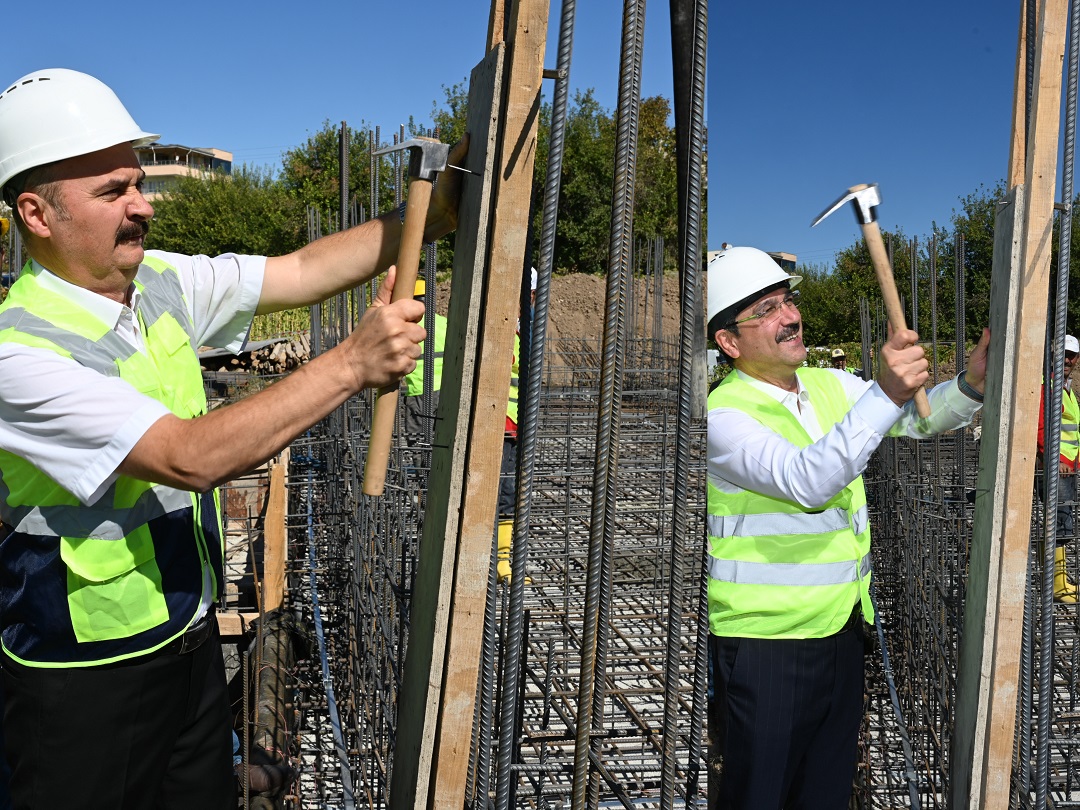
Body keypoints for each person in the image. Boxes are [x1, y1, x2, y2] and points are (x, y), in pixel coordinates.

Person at [0, 68, 463, 809]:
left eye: (138, 183)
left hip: (187, 635)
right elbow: (189, 456)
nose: (142, 204)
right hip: (81, 676)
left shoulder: (159, 285)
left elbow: (304, 269)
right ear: (38, 212)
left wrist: (427, 220)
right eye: (114, 190)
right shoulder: (19, 354)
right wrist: (350, 363)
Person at [706, 245, 988, 809]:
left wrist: (971, 384)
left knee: (826, 794)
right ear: (729, 343)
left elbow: (919, 421)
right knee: (759, 795)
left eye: (786, 301)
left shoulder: (831, 385)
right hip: (766, 648)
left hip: (842, 633)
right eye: (764, 310)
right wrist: (884, 390)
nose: (788, 316)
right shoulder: (724, 415)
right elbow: (807, 481)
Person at [1037, 334, 1080, 602]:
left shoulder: (1066, 388)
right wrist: (1054, 459)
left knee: (1062, 521)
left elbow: (1072, 430)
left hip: (1068, 465)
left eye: (1071, 355)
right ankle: (1057, 585)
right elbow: (1041, 427)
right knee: (1061, 522)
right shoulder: (1046, 385)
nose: (1066, 359)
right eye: (1061, 353)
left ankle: (1056, 578)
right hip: (1057, 465)